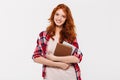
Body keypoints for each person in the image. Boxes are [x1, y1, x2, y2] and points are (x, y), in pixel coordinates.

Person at [32, 4, 83, 80]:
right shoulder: (44, 35)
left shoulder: (70, 37)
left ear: (66, 19)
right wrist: (58, 64)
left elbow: (78, 57)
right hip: (50, 77)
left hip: (70, 76)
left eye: (63, 16)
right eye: (57, 14)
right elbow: (36, 57)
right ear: (53, 15)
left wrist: (54, 58)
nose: (59, 18)